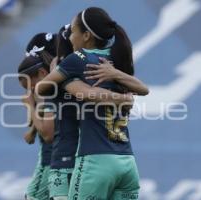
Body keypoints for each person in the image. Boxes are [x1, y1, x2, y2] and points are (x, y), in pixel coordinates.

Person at [36, 7, 149, 200]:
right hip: (127, 162)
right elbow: (144, 90)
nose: (70, 37)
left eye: (73, 31)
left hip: (96, 161)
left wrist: (63, 77)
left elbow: (41, 88)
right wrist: (118, 80)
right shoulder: (118, 59)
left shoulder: (78, 59)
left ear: (86, 35)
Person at [19, 32, 56, 200]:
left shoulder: (51, 87)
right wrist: (33, 130)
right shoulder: (71, 79)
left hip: (53, 159)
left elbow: (48, 133)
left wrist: (29, 106)